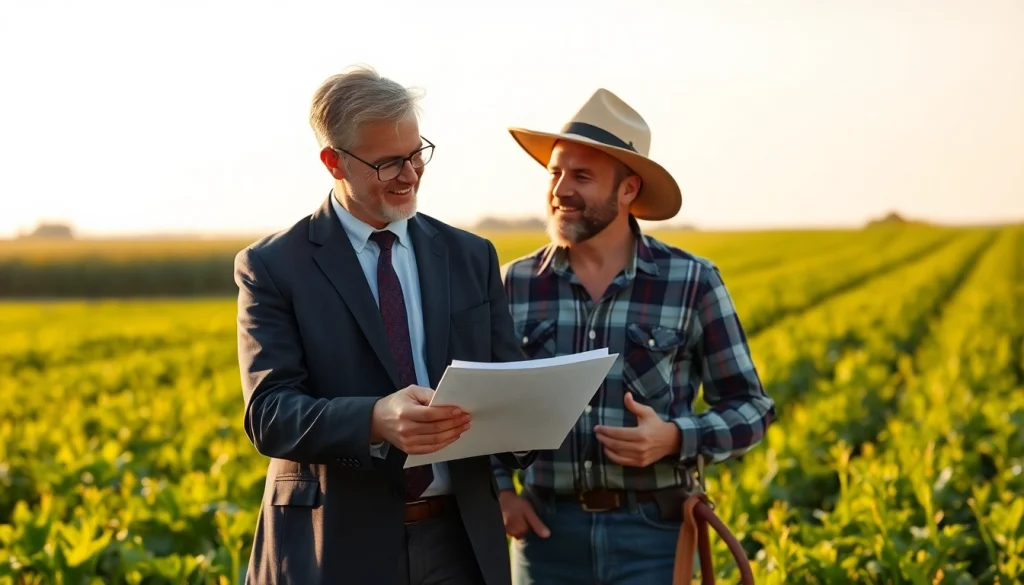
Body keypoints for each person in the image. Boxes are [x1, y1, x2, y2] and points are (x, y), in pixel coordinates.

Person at [234, 65, 536, 585]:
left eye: (418, 154)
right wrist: (374, 418)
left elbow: (503, 377)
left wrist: (534, 414)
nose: (411, 173)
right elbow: (270, 414)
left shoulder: (470, 255)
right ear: (334, 162)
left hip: (460, 543)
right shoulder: (273, 266)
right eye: (390, 162)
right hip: (332, 546)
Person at [491, 88, 777, 584]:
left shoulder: (692, 281)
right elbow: (479, 408)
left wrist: (674, 437)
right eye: (555, 172)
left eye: (581, 176)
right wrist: (500, 492)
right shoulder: (512, 284)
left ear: (628, 191)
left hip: (654, 532)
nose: (560, 188)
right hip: (544, 535)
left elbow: (752, 408)